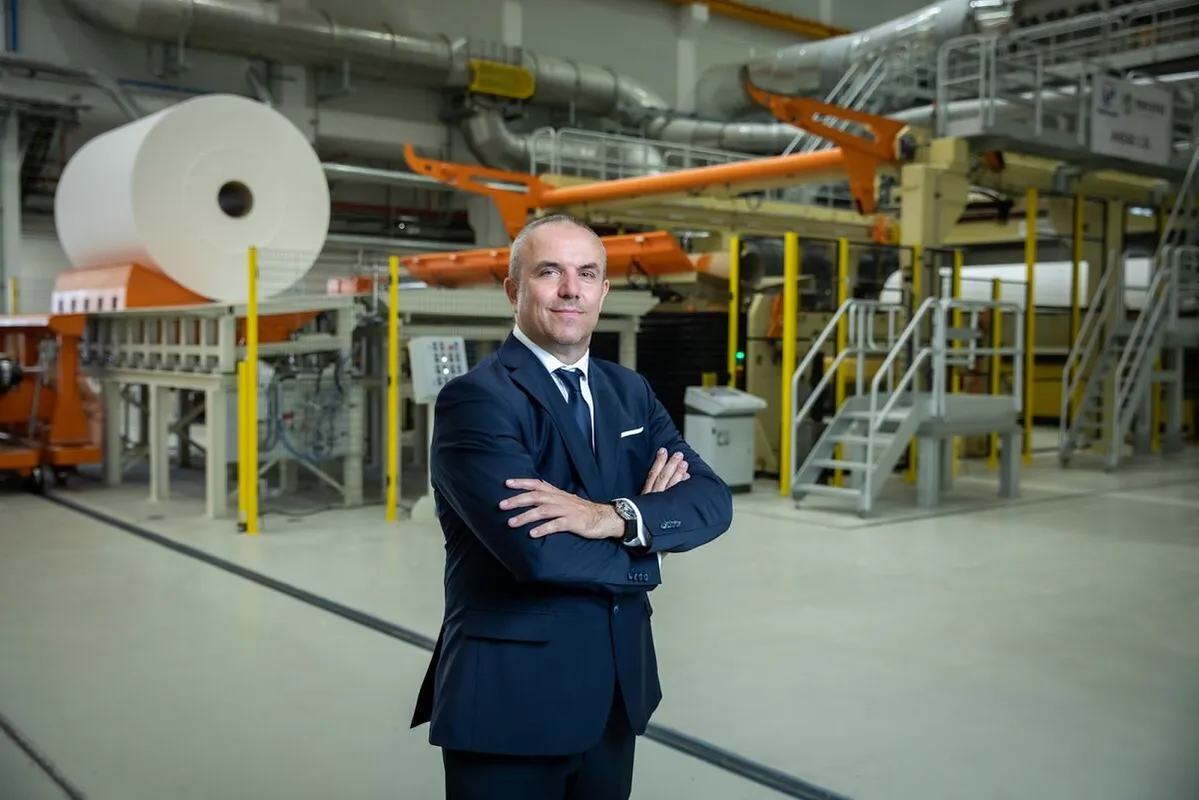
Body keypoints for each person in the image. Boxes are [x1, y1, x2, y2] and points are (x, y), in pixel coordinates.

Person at [410, 214, 734, 799]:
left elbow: (711, 501)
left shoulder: (629, 391)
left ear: (603, 292)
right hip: (511, 703)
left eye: (586, 274)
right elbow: (538, 553)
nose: (570, 290)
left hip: (615, 695)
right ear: (513, 290)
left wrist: (611, 517)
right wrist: (651, 547)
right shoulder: (477, 400)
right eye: (549, 272)